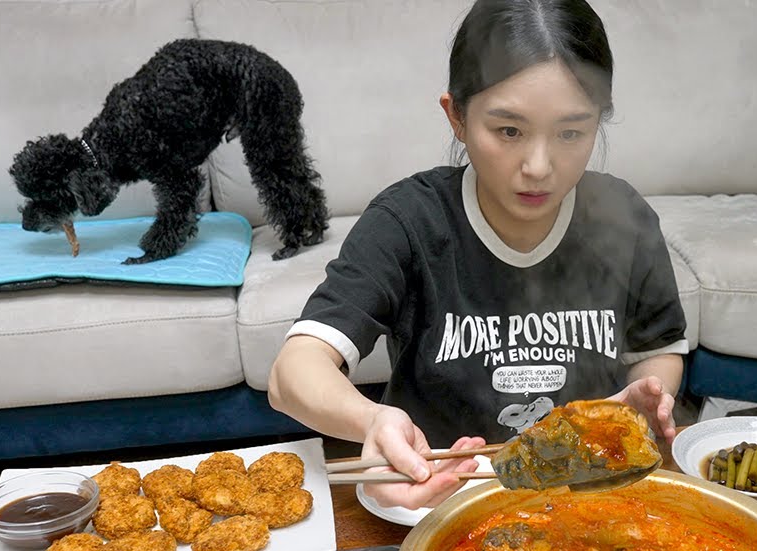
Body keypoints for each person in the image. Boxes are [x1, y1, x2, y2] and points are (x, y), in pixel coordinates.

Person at [268, 0, 688, 510]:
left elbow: (658, 349)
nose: (538, 166)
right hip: (438, 499)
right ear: (458, 117)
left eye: (571, 133)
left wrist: (633, 409)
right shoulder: (410, 221)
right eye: (509, 131)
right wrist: (373, 420)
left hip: (584, 495)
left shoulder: (624, 216)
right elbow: (292, 373)